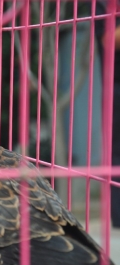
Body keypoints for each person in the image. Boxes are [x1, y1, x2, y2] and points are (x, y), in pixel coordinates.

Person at [95, 0, 120, 229]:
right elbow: (109, 39)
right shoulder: (103, 4)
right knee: (116, 155)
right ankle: (119, 216)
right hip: (116, 90)